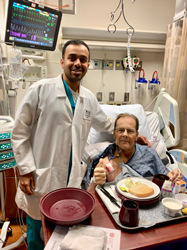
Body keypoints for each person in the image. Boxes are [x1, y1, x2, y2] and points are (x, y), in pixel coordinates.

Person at [11, 39, 115, 250]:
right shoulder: (40, 90)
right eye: (72, 58)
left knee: (64, 233)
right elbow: (19, 132)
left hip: (72, 178)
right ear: (62, 62)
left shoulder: (89, 99)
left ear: (88, 64)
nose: (78, 63)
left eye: (83, 60)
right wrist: (25, 170)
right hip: (40, 176)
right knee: (37, 231)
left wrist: (129, 132)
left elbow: (107, 123)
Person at [85, 113, 183, 191]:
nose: (125, 134)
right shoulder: (104, 161)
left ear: (137, 135)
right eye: (120, 130)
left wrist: (173, 175)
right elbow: (92, 192)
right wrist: (96, 181)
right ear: (114, 134)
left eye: (130, 131)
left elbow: (165, 177)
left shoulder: (149, 154)